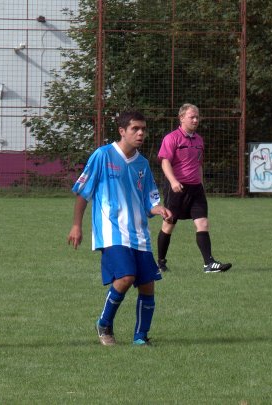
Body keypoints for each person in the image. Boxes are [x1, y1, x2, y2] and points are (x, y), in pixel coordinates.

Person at [68, 111, 171, 346]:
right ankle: (104, 324)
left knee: (147, 285)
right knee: (125, 277)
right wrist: (76, 225)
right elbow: (83, 193)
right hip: (111, 231)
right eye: (135, 128)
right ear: (122, 131)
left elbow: (149, 200)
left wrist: (158, 209)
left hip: (139, 234)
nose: (141, 133)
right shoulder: (102, 156)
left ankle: (140, 338)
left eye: (143, 129)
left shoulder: (142, 164)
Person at [156, 103, 231, 273]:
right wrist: (173, 181)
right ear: (181, 118)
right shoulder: (171, 138)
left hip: (196, 189)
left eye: (197, 117)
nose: (196, 120)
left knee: (203, 222)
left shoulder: (199, 139)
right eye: (192, 117)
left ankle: (209, 263)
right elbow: (165, 162)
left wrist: (201, 185)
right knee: (168, 224)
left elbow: (198, 164)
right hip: (176, 188)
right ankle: (160, 262)